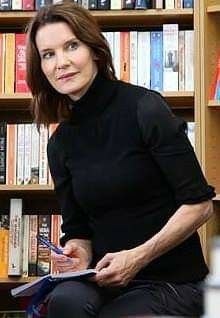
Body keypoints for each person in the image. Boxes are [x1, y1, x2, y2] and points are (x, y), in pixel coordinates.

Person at [26, 2, 215, 317]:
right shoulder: (60, 143)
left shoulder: (145, 108)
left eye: (71, 46)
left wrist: (138, 257)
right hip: (103, 278)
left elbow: (200, 206)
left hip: (170, 281)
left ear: (95, 50)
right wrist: (78, 253)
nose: (62, 62)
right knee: (64, 302)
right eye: (48, 54)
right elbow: (78, 230)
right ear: (41, 68)